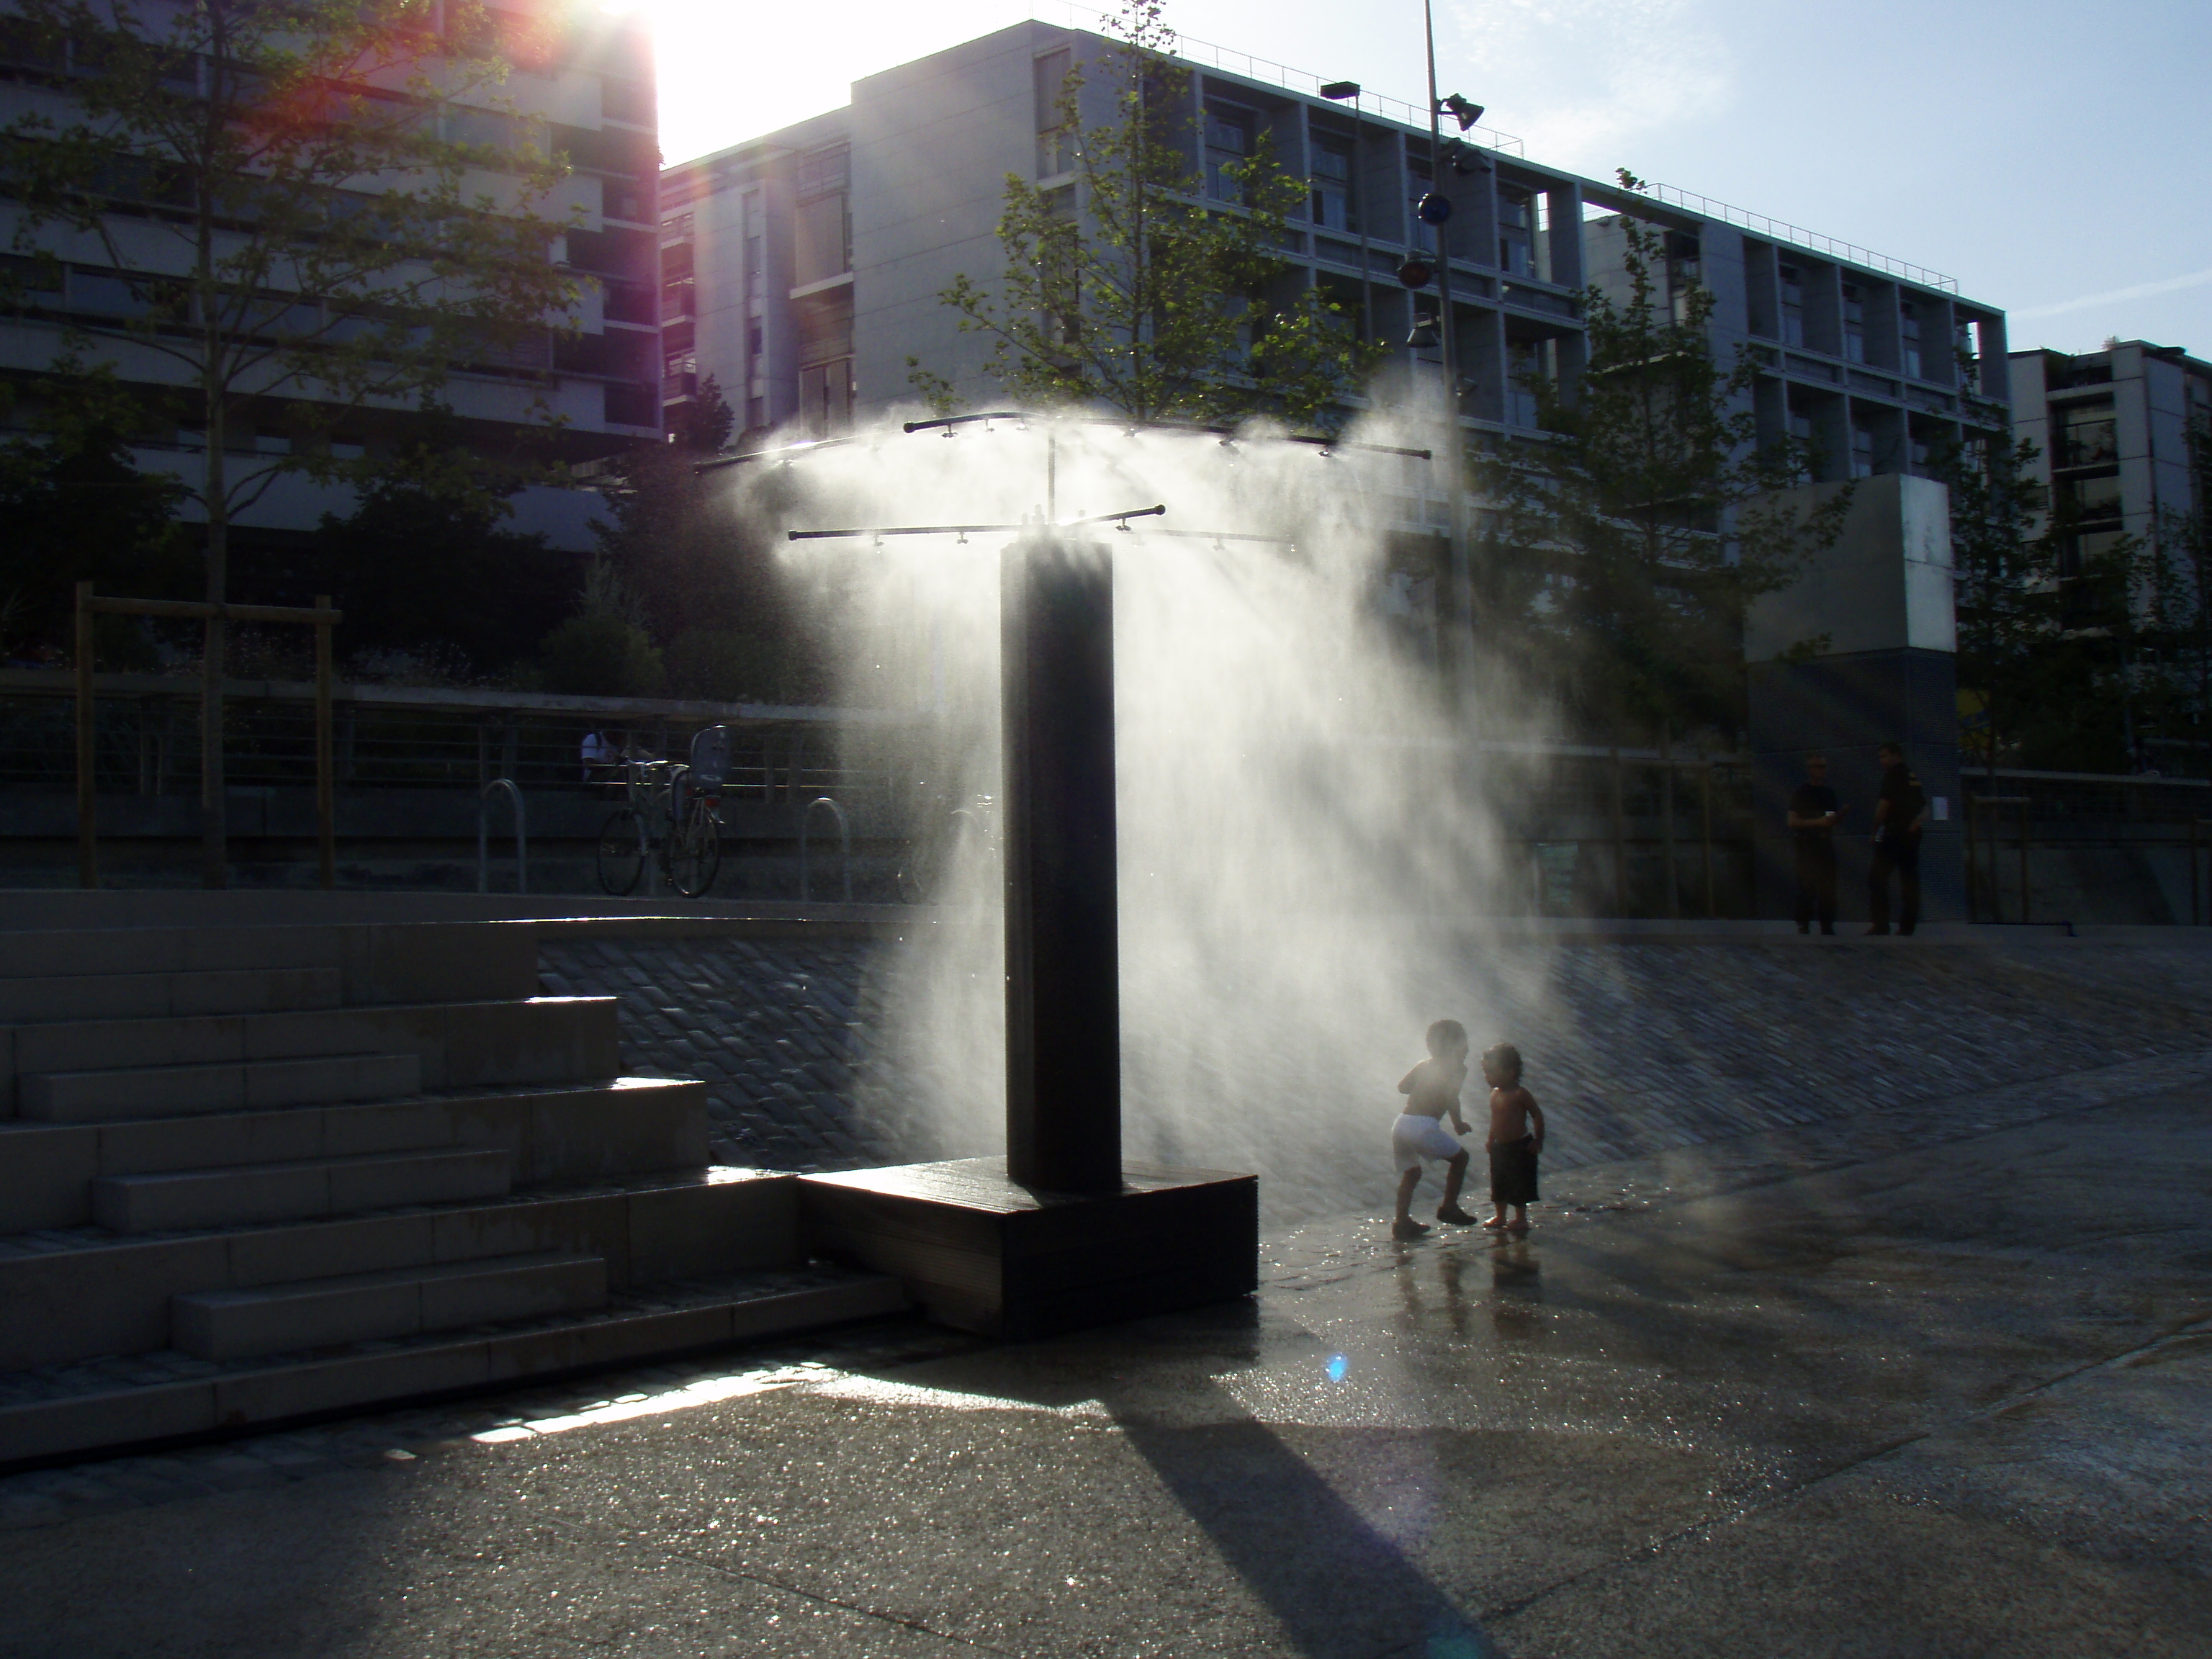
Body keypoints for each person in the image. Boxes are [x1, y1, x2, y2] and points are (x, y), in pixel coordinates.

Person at [1391, 1019, 1476, 1241]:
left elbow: (1402, 1088)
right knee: (1461, 1159)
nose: (1467, 1049)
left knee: (1412, 1173)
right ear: (1456, 1046)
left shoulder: (1423, 1065)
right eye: (1464, 1043)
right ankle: (1449, 1206)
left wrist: (1420, 1085)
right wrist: (1457, 1123)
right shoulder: (1458, 1069)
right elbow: (1452, 1098)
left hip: (1401, 1124)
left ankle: (1401, 1221)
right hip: (1423, 1126)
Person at [1481, 1042, 1545, 1234]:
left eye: (1491, 1072)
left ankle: (1520, 1218)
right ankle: (1500, 1215)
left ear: (1510, 1072)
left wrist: (1538, 1139)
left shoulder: (1520, 1094)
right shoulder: (1494, 1093)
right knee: (1499, 1181)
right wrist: (1491, 1139)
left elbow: (1537, 1115)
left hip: (1519, 1146)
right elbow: (1495, 1118)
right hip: (1500, 1146)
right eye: (1485, 1072)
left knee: (1519, 1183)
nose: (1487, 1077)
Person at [1867, 741, 1928, 935]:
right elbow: (1925, 808)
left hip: (1894, 834)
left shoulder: (1892, 776)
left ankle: (1881, 924)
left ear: (1896, 756)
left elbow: (1882, 808)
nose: (1882, 761)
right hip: (1911, 834)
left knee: (1877, 878)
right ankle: (1908, 925)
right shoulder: (1911, 776)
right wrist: (1916, 822)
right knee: (1909, 880)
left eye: (1884, 756)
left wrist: (1874, 830)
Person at [1787, 754, 1843, 935]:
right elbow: (1793, 821)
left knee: (1828, 887)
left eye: (1824, 767)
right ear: (1810, 769)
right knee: (1807, 885)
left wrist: (1834, 819)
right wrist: (1817, 822)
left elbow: (1829, 818)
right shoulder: (1802, 793)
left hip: (1824, 842)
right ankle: (1803, 923)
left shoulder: (1828, 793)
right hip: (1807, 845)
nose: (1822, 770)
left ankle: (1827, 924)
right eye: (1818, 766)